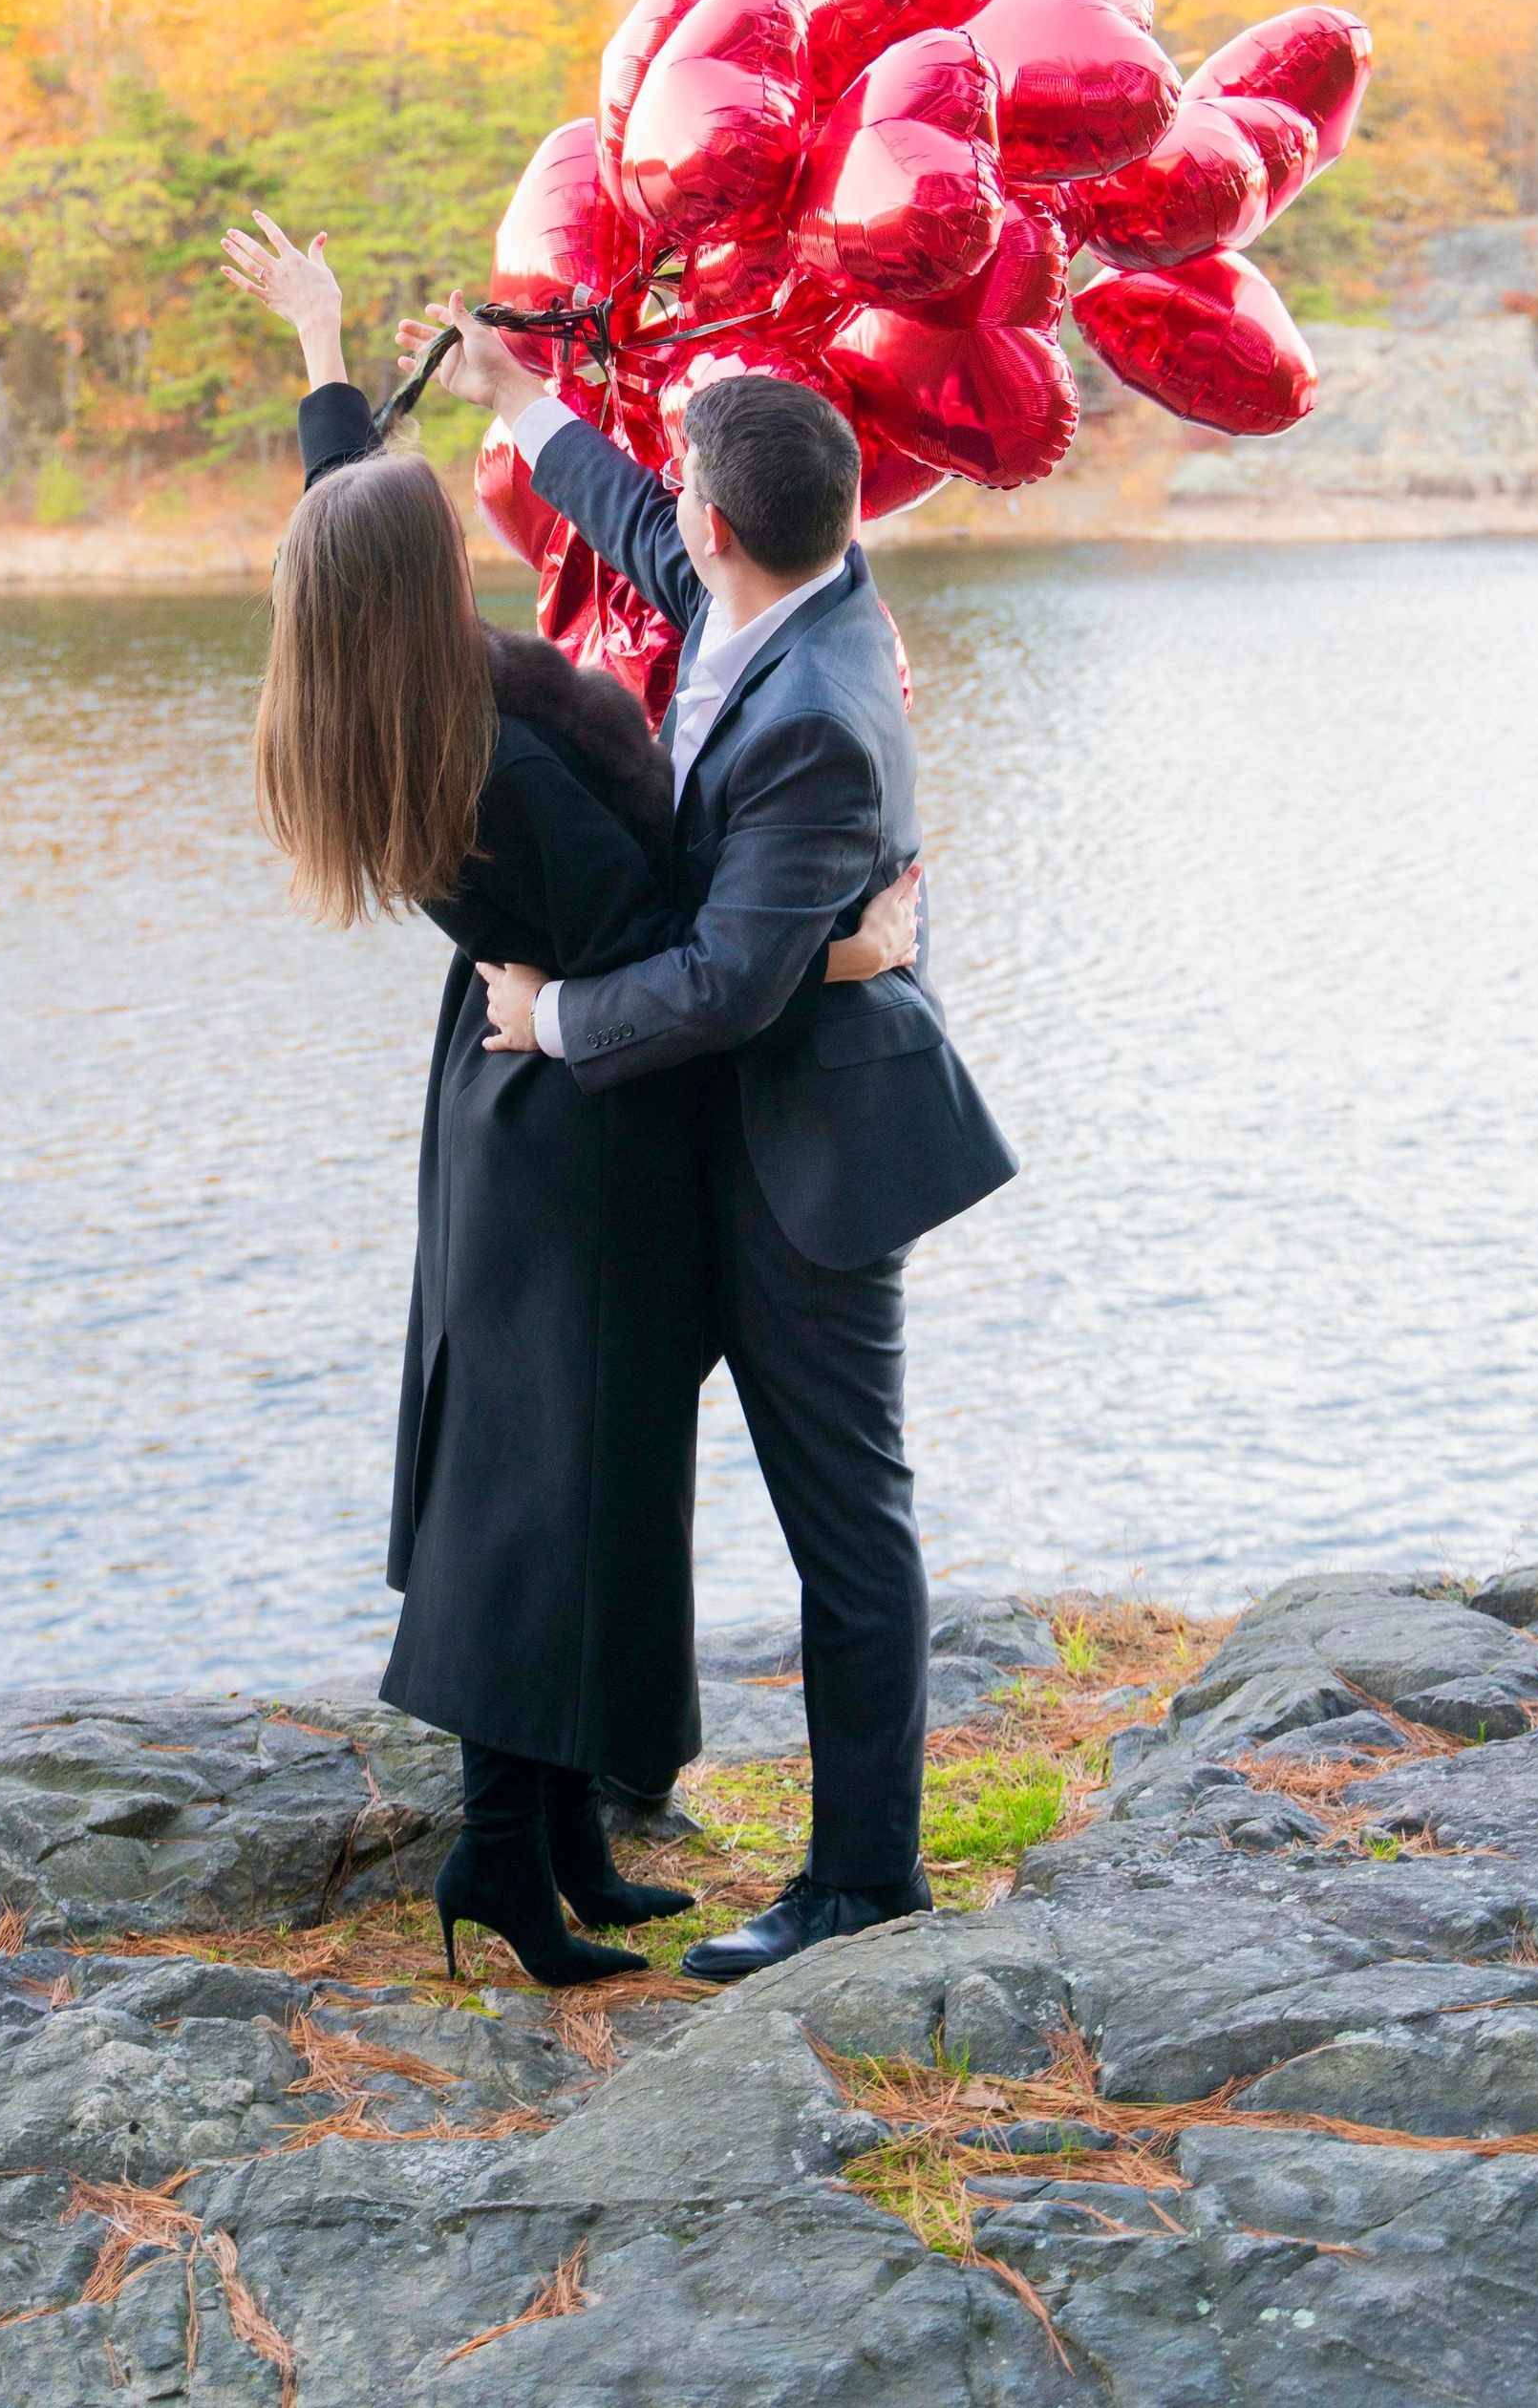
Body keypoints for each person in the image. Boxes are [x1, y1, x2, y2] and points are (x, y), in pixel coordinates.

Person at [219, 215, 927, 1990]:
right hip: (577, 1101)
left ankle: (549, 1842)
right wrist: (842, 954)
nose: (451, 513)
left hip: (515, 1090)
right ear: (407, 584)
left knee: (553, 1480)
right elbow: (689, 955)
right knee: (550, 1488)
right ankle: (510, 1853)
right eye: (435, 518)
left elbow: (363, 522)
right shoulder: (505, 755)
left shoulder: (376, 680)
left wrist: (348, 355)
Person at [401, 285, 1017, 1983]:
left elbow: (732, 984)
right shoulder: (780, 591)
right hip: (709, 1139)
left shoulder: (820, 705)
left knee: (848, 1524)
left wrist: (555, 1019)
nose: (671, 517)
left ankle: (861, 1880)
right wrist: (526, 406)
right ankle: (554, 1822)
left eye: (688, 495)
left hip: (810, 1166)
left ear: (731, 520)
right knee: (601, 1462)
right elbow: (643, 532)